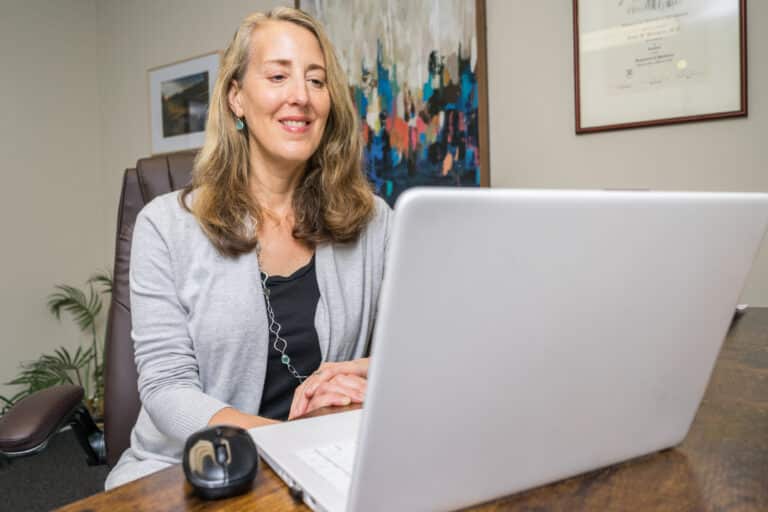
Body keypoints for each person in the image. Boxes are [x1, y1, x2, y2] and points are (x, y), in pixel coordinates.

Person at [105, 7, 391, 489]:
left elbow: (418, 351)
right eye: (278, 76)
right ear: (236, 97)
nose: (301, 96)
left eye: (316, 81)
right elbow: (168, 391)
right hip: (193, 469)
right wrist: (286, 443)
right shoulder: (165, 226)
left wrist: (361, 374)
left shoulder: (373, 221)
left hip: (330, 462)